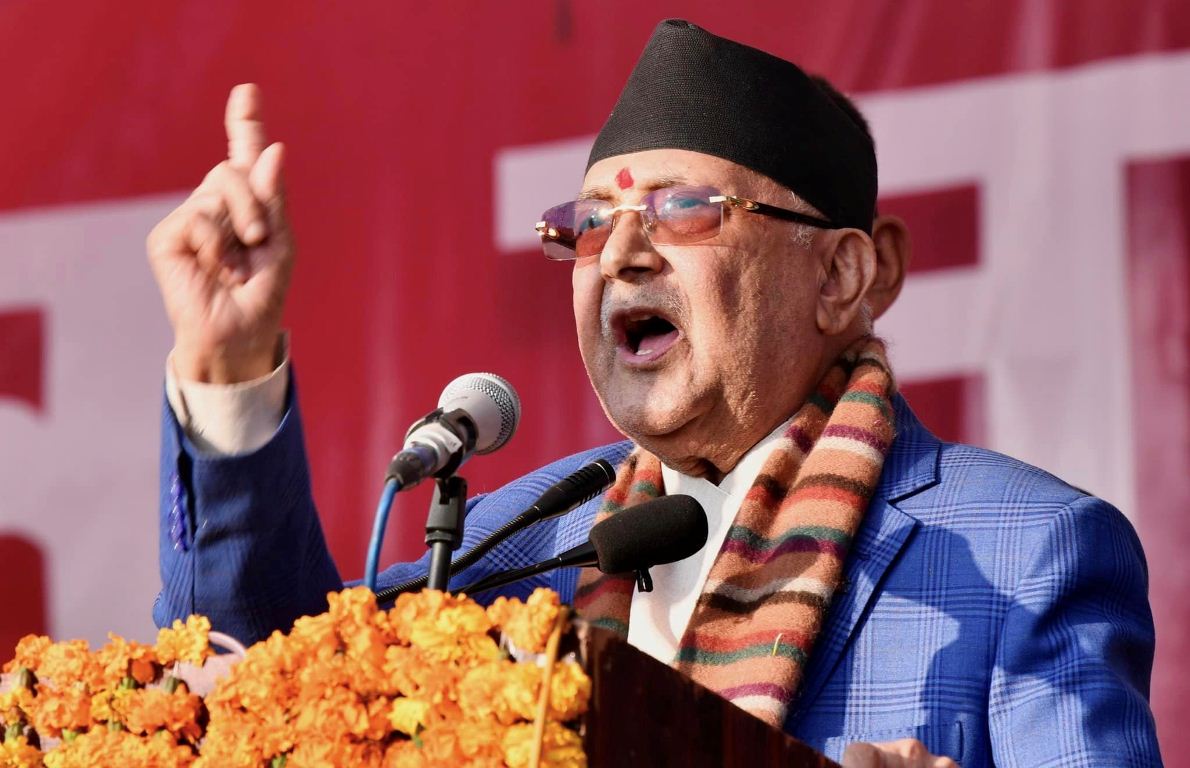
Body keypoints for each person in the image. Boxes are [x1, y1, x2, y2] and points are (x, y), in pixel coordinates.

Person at [146, 19, 1161, 767]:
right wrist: (228, 366)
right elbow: (260, 686)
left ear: (840, 275)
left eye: (686, 209)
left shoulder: (1024, 552)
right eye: (589, 223)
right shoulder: (512, 551)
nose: (622, 252)